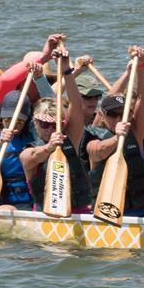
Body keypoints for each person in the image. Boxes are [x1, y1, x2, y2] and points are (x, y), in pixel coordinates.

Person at [84, 46, 144, 216]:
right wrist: (117, 139)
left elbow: (143, 98)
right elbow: (98, 152)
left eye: (122, 113)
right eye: (112, 114)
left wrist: (141, 66)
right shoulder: (93, 137)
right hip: (108, 211)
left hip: (142, 208)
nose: (118, 118)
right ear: (102, 115)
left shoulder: (136, 132)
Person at [21, 48, 92, 213]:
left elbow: (75, 104)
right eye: (45, 125)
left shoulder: (70, 138)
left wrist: (67, 70)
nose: (51, 130)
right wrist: (49, 148)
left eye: (55, 125)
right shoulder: (30, 150)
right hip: (44, 213)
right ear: (35, 123)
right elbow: (29, 158)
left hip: (78, 211)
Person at [0, 69, 38, 211]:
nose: (13, 124)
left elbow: (53, 103)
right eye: (8, 119)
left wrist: (40, 78)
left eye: (19, 121)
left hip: (32, 200)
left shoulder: (35, 134)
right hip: (5, 200)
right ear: (1, 117)